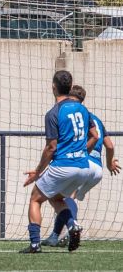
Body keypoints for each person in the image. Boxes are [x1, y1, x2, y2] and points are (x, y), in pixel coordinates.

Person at [20, 71, 99, 253]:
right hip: (84, 167)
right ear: (71, 88)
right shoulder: (84, 109)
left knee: (35, 199)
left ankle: (34, 244)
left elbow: (51, 148)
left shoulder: (53, 113)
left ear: (53, 87)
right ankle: (72, 225)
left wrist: (38, 171)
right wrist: (79, 152)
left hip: (63, 166)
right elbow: (94, 135)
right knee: (56, 197)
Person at [42, 85, 120, 247]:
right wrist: (109, 163)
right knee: (69, 198)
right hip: (97, 170)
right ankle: (57, 235)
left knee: (62, 198)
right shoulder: (95, 118)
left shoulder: (73, 115)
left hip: (81, 162)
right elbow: (110, 146)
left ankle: (71, 228)